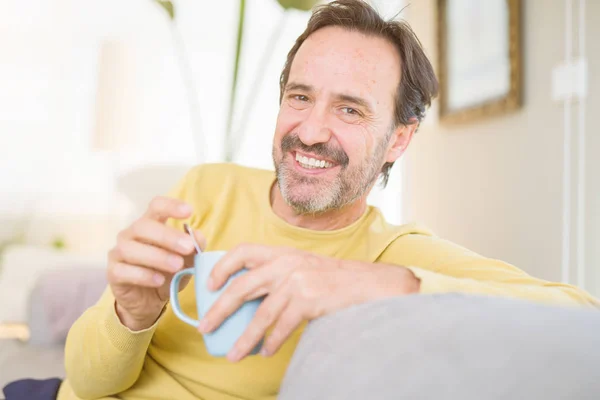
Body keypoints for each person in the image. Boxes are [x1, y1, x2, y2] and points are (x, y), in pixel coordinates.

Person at [55, 1, 598, 399]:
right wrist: (131, 313)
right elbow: (86, 380)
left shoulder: (395, 254)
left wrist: (373, 283)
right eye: (300, 96)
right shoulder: (203, 190)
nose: (310, 131)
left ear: (400, 138)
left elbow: (582, 315)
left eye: (349, 110)